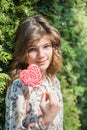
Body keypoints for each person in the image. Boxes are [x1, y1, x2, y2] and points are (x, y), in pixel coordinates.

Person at [4, 15, 63, 130]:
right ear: (23, 54)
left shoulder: (54, 82)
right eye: (32, 49)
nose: (41, 55)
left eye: (46, 46)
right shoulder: (20, 86)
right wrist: (45, 120)